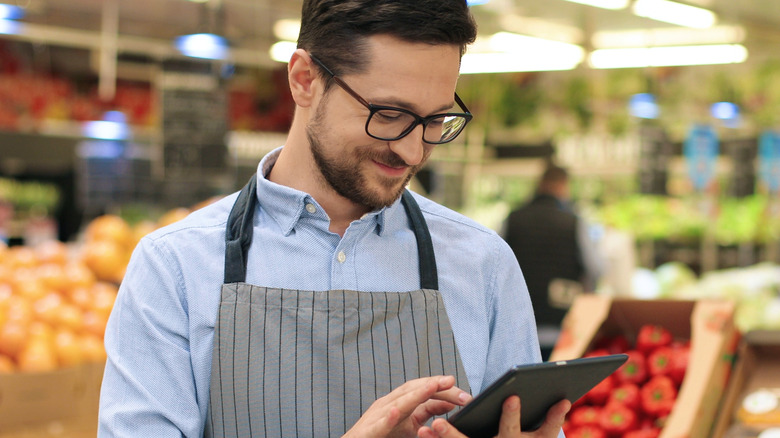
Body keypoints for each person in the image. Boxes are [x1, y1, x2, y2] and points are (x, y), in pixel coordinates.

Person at [98, 1, 570, 437]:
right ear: (305, 79)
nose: (412, 150)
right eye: (389, 114)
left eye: (435, 121)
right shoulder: (174, 269)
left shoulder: (483, 265)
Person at [501, 163, 605, 360]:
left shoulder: (512, 219)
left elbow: (495, 266)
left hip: (518, 326)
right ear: (563, 186)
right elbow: (596, 269)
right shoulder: (574, 222)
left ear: (540, 184)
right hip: (563, 327)